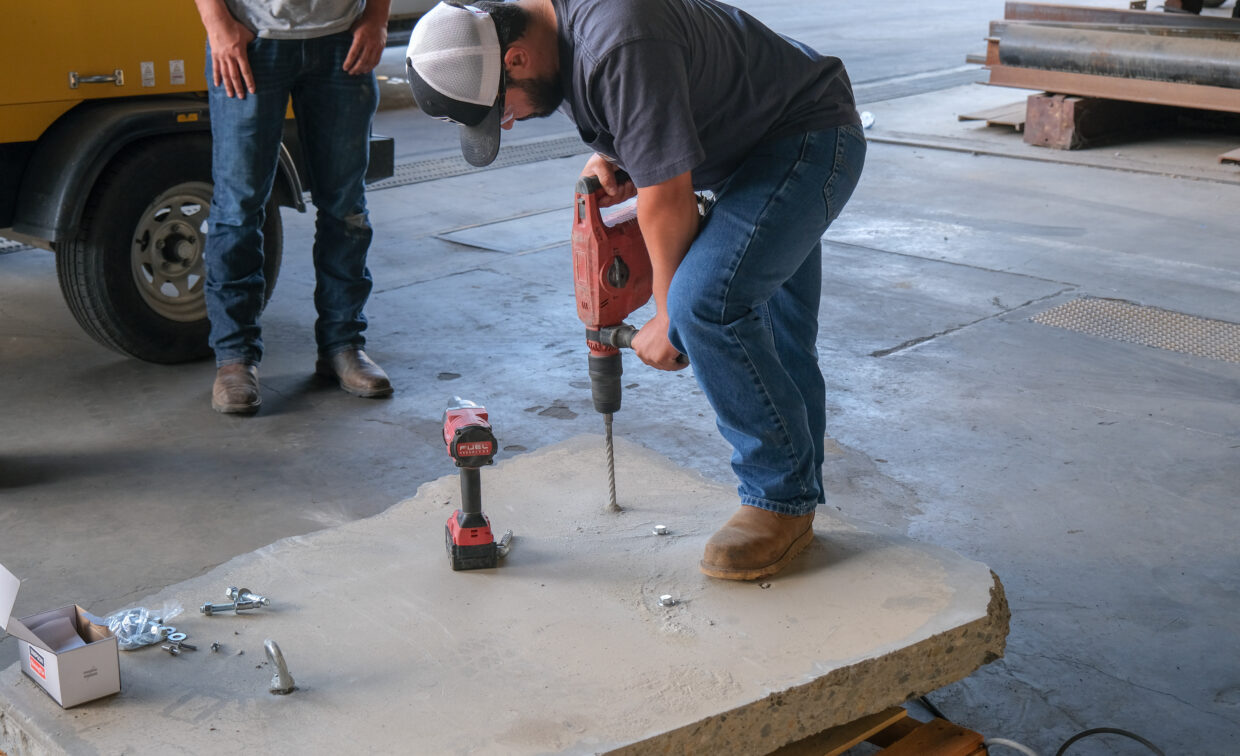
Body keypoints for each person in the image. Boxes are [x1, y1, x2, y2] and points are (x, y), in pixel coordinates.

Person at [406, 0, 865, 580]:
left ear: (516, 57)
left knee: (706, 305)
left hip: (805, 137)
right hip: (758, 140)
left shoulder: (616, 40)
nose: (510, 121)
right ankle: (795, 491)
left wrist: (666, 313)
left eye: (503, 108)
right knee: (774, 330)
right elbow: (650, 93)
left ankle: (780, 500)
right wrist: (619, 146)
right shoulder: (549, 26)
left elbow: (666, 199)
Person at [195, 0, 394, 415]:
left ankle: (344, 345)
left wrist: (376, 18)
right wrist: (216, 22)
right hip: (253, 39)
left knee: (346, 206)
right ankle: (235, 358)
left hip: (343, 37)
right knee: (238, 208)